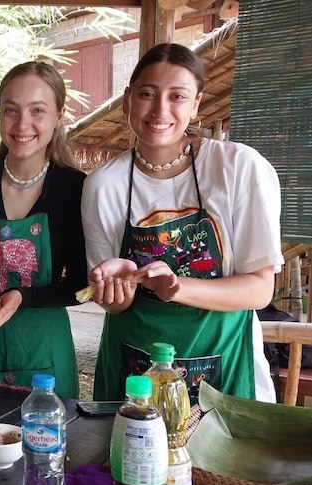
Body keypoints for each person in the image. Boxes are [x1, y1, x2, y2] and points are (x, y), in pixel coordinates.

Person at [81, 43, 284, 403]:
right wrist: (115, 289)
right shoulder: (103, 185)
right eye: (147, 94)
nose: (160, 109)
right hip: (135, 369)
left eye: (178, 96)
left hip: (226, 364)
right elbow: (112, 305)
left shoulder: (238, 168)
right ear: (128, 100)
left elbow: (259, 289)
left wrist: (177, 287)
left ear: (196, 104)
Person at [0, 60, 88, 402]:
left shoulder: (73, 187)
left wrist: (24, 296)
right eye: (11, 110)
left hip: (43, 345)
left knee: (48, 445)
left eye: (37, 110)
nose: (22, 123)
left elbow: (81, 284)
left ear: (58, 117)